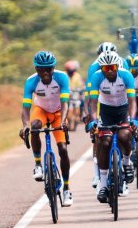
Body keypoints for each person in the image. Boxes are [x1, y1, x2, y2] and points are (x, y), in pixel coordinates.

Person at [21, 51, 73, 206]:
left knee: (63, 150)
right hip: (41, 111)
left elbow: (65, 103)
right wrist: (25, 125)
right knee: (34, 127)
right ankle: (38, 165)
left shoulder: (62, 77)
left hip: (58, 113)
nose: (45, 73)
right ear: (36, 69)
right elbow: (25, 108)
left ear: (53, 68)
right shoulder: (31, 81)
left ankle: (67, 189)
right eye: (41, 69)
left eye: (48, 69)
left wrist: (63, 121)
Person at [87, 50, 138, 203]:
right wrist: (93, 120)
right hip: (106, 111)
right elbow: (93, 102)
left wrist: (132, 119)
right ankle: (103, 185)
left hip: (123, 110)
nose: (109, 71)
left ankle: (127, 163)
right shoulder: (97, 77)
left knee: (124, 135)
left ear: (117, 66)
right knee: (104, 142)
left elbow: (132, 100)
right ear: (101, 68)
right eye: (106, 68)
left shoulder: (126, 75)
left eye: (112, 67)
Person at [85, 42, 118, 188]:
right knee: (97, 135)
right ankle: (97, 174)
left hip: (118, 99)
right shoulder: (94, 68)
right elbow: (89, 94)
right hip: (100, 100)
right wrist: (89, 115)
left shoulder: (121, 63)